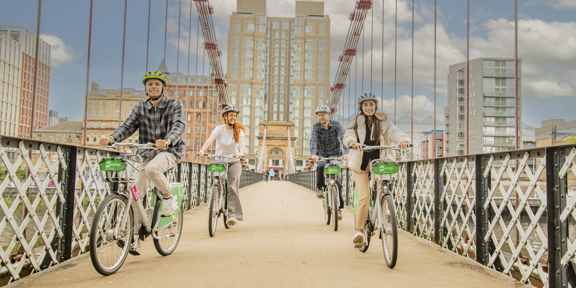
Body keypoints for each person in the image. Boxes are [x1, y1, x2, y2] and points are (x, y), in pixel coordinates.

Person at [99, 70, 185, 255]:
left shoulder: (174, 104)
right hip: (145, 153)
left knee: (154, 169)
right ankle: (135, 238)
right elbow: (128, 126)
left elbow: (179, 125)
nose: (153, 87)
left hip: (169, 150)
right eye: (149, 84)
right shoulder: (140, 107)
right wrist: (112, 137)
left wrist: (168, 140)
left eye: (156, 84)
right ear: (146, 89)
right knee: (135, 196)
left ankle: (168, 198)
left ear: (163, 87)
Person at [343, 93, 410, 248]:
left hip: (379, 164)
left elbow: (394, 131)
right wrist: (352, 142)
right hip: (361, 166)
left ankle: (385, 212)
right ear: (361, 107)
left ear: (375, 106)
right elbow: (349, 134)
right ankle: (359, 232)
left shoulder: (384, 122)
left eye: (371, 104)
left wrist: (403, 139)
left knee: (383, 187)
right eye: (365, 105)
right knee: (364, 197)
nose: (368, 108)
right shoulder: (356, 122)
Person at [198, 104, 246, 226]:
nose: (233, 118)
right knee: (216, 181)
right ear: (225, 117)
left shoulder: (238, 130)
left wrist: (240, 152)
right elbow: (210, 140)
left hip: (233, 161)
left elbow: (242, 142)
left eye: (235, 116)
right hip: (220, 160)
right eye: (231, 115)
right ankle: (216, 193)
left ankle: (233, 215)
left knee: (232, 187)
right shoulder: (219, 129)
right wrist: (203, 150)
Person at [310, 105, 349, 220]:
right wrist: (314, 153)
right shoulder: (316, 126)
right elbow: (313, 139)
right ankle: (320, 188)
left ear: (328, 115)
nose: (321, 117)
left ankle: (339, 209)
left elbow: (343, 138)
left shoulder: (336, 124)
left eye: (323, 115)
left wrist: (347, 151)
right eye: (319, 115)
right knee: (321, 166)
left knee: (337, 181)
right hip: (322, 153)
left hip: (335, 154)